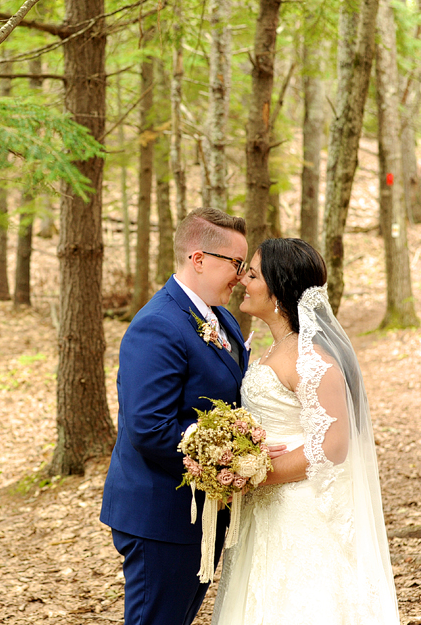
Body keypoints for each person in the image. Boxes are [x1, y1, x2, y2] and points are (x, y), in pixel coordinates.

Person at [212, 238, 400, 625]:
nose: (243, 280)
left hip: (297, 513)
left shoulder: (312, 359)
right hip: (264, 511)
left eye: (253, 274)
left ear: (278, 288)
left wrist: (254, 474)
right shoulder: (274, 349)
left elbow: (332, 446)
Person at [100, 208, 250, 625]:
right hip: (160, 516)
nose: (240, 275)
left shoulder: (220, 318)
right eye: (235, 263)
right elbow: (150, 428)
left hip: (198, 515)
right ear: (198, 259)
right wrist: (231, 454)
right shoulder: (157, 325)